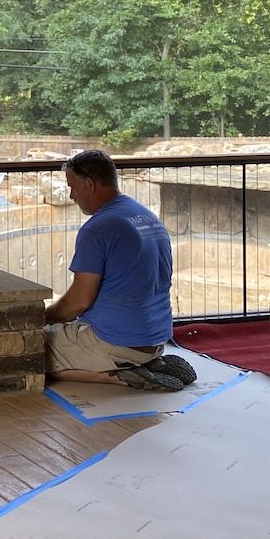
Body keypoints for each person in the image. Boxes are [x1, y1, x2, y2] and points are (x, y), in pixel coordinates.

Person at [44, 149, 196, 391]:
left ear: (90, 184)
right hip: (155, 339)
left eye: (72, 186)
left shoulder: (98, 229)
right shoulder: (147, 217)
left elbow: (78, 302)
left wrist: (42, 318)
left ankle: (119, 375)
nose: (71, 195)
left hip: (115, 342)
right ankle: (148, 364)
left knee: (25, 351)